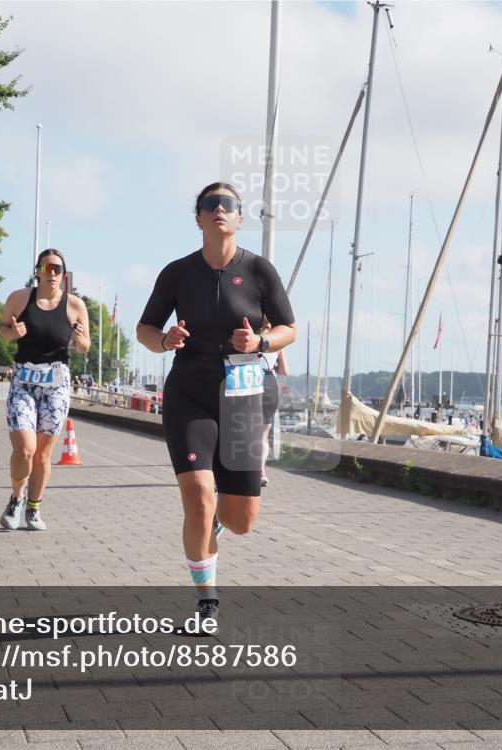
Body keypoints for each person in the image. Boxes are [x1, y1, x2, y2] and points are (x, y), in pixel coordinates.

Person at [136, 182, 296, 624]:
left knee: (241, 520)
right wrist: (164, 340)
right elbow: (144, 329)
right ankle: (207, 602)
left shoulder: (260, 270)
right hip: (191, 389)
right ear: (199, 217)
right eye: (211, 204)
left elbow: (289, 329)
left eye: (229, 205)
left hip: (245, 393)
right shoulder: (177, 273)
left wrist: (261, 340)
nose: (219, 209)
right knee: (199, 498)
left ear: (240, 218)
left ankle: (220, 520)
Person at [0, 248, 90, 531]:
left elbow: (86, 347)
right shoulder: (19, 298)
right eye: (47, 268)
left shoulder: (75, 305)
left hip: (56, 386)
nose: (52, 274)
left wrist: (79, 338)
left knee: (42, 455)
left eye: (57, 270)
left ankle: (34, 508)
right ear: (37, 271)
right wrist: (13, 333)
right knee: (25, 449)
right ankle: (16, 498)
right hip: (24, 381)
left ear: (64, 275)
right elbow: (2, 329)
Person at [259, 341, 289, 487]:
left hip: (247, 381)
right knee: (263, 435)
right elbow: (283, 370)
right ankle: (260, 471)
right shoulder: (277, 341)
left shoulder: (248, 337)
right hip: (269, 382)